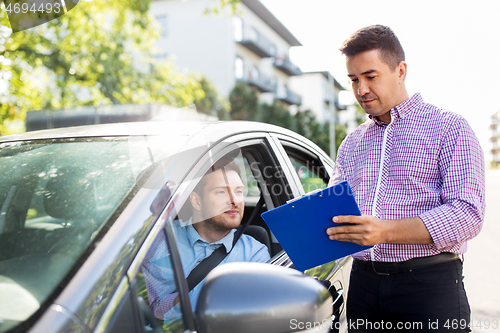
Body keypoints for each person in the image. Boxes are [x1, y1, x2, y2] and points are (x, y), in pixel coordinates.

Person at [326, 25, 485, 332]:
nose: (361, 90)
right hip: (363, 285)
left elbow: (467, 214)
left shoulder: (449, 128)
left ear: (400, 71)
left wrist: (385, 232)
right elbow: (338, 212)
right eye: (354, 80)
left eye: (371, 76)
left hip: (428, 288)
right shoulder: (351, 143)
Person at [142, 156, 270, 321]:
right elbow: (154, 311)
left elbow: (256, 316)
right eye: (221, 191)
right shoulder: (161, 241)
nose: (235, 200)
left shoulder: (255, 254)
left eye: (239, 191)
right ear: (196, 200)